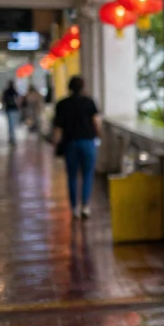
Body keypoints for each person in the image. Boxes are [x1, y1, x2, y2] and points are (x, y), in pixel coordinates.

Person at [52, 76, 101, 219]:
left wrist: (56, 145)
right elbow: (96, 122)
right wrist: (98, 136)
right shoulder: (89, 102)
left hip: (70, 143)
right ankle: (85, 206)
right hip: (87, 142)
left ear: (69, 88)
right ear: (83, 87)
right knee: (87, 175)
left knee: (72, 176)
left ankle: (74, 208)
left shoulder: (62, 104)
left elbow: (58, 128)